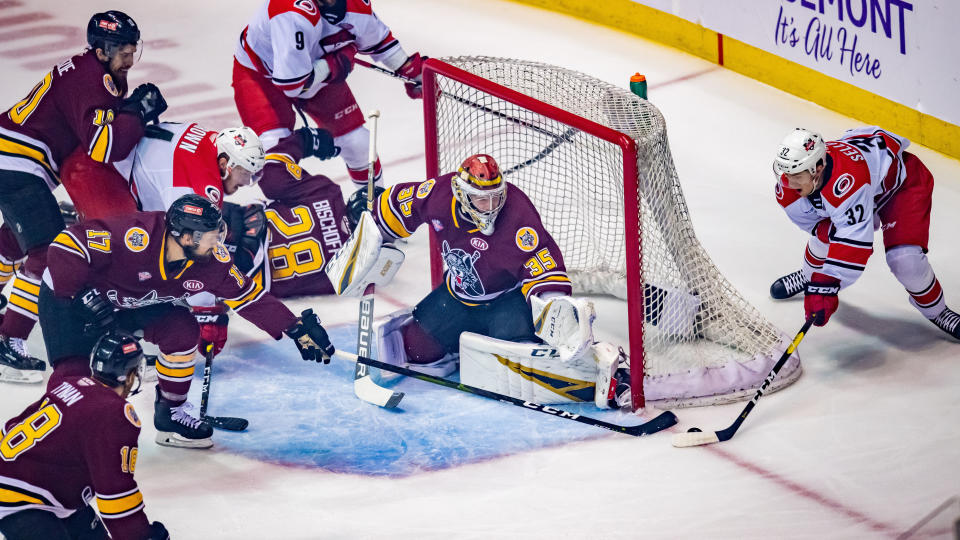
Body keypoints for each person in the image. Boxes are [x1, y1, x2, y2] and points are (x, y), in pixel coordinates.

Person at [326, 154, 634, 409]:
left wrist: (555, 310)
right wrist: (372, 237)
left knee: (516, 364)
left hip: (508, 302)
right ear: (461, 193)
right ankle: (458, 347)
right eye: (479, 199)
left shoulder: (517, 215)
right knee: (414, 351)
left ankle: (612, 370)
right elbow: (395, 204)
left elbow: (543, 266)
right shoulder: (439, 195)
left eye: (494, 197)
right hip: (459, 295)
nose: (489, 206)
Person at [39, 194, 337, 449]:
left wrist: (295, 328)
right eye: (210, 237)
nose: (218, 242)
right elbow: (67, 245)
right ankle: (59, 438)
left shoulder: (213, 262)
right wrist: (80, 295)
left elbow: (249, 297)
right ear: (185, 237)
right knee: (72, 375)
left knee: (181, 331)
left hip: (130, 306)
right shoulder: (136, 237)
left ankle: (170, 413)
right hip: (72, 303)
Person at [0, 10, 166, 380]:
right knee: (46, 253)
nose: (129, 59)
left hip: (17, 159)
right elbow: (104, 146)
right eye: (123, 51)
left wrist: (129, 110)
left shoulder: (92, 72)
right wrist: (137, 113)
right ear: (102, 50)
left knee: (17, 237)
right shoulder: (91, 79)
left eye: (133, 51)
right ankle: (7, 341)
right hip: (14, 161)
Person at [770, 127, 959, 339]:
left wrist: (826, 286)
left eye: (796, 175)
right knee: (827, 234)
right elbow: (815, 225)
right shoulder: (789, 185)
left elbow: (855, 244)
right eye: (785, 173)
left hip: (901, 188)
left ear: (819, 167)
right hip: (866, 187)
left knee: (905, 261)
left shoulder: (848, 180)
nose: (788, 182)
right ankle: (808, 276)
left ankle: (938, 311)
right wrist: (818, 281)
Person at [232, 0, 424, 188]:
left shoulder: (356, 6)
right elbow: (293, 86)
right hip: (259, 74)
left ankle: (374, 209)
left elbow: (380, 43)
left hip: (312, 72)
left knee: (358, 143)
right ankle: (294, 215)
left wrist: (413, 73)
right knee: (274, 153)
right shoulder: (290, 11)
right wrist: (334, 63)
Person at [0, 330, 169, 540]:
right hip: (22, 502)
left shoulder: (71, 384)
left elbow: (13, 426)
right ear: (131, 375)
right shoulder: (114, 412)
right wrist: (140, 535)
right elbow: (115, 492)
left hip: (45, 493)